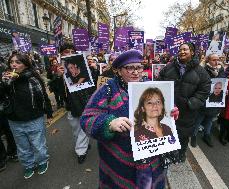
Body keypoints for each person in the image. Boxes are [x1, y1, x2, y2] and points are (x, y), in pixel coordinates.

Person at [80, 49, 179, 188]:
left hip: (152, 160)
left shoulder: (150, 85)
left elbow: (165, 107)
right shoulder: (107, 90)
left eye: (139, 67)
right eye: (130, 68)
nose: (136, 71)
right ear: (119, 71)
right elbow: (87, 119)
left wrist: (171, 111)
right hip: (119, 164)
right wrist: (110, 123)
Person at [0, 52, 52, 179]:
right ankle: (29, 165)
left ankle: (42, 161)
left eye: (18, 62)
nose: (14, 64)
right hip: (14, 119)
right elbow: (2, 98)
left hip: (34, 117)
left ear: (25, 65)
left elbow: (43, 96)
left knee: (37, 144)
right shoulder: (6, 78)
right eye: (11, 62)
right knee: (22, 146)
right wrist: (4, 84)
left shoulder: (33, 77)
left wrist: (49, 112)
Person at [158, 42, 211, 160]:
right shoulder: (168, 67)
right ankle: (167, 153)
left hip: (187, 112)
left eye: (185, 49)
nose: (182, 52)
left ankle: (180, 155)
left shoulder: (201, 72)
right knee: (166, 132)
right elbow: (159, 82)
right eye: (180, 49)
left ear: (192, 52)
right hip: (168, 110)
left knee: (183, 135)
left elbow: (204, 91)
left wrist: (190, 103)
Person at [57, 43, 92, 164]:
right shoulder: (58, 69)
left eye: (72, 50)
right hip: (71, 105)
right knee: (76, 129)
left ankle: (81, 151)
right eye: (66, 51)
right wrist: (58, 76)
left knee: (84, 127)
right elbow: (56, 91)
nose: (70, 53)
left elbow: (94, 83)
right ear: (61, 54)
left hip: (86, 102)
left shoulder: (84, 66)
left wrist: (94, 69)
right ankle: (83, 144)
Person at [191, 53, 225, 148]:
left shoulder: (221, 69)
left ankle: (207, 134)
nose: (216, 62)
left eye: (218, 59)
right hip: (204, 98)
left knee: (210, 118)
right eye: (214, 60)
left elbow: (223, 82)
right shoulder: (203, 70)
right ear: (208, 61)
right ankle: (193, 135)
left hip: (214, 99)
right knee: (199, 118)